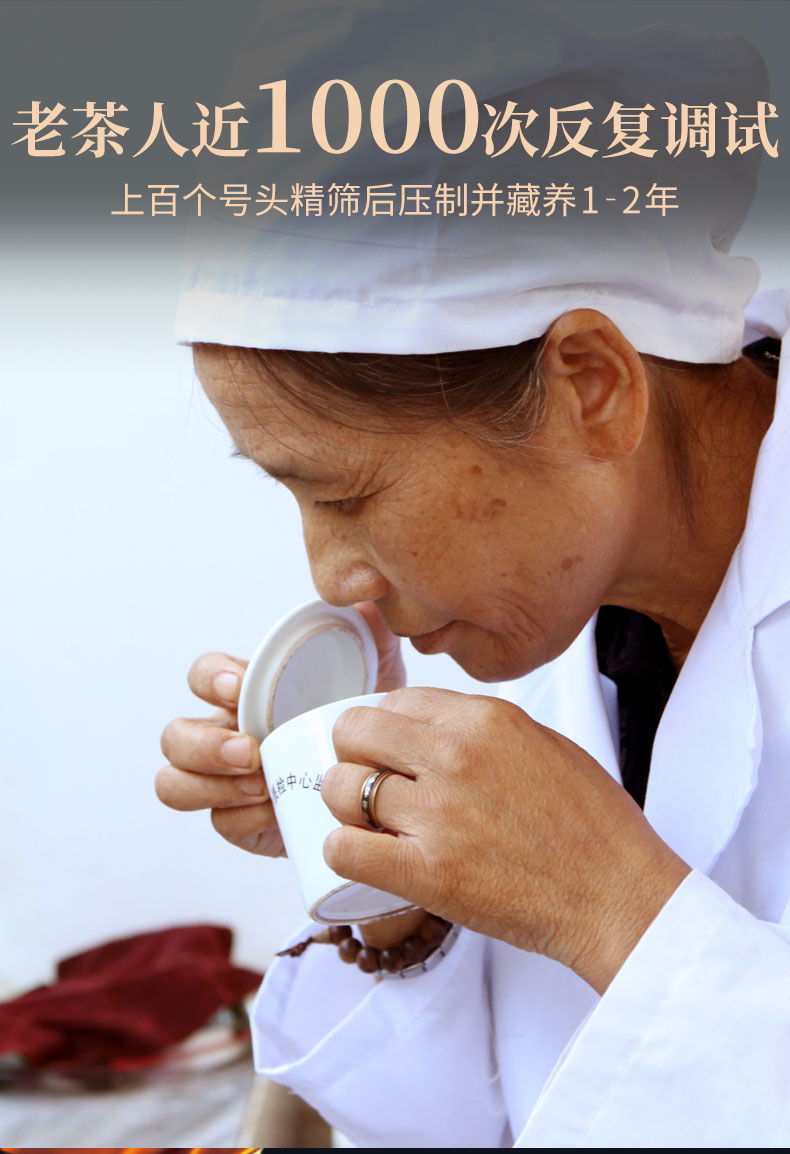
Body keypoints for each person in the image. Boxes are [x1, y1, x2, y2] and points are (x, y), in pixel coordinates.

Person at [156, 4, 790, 1145]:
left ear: (591, 384)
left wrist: (609, 905)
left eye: (346, 494)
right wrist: (400, 903)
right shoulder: (577, 629)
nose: (335, 581)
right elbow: (528, 1112)